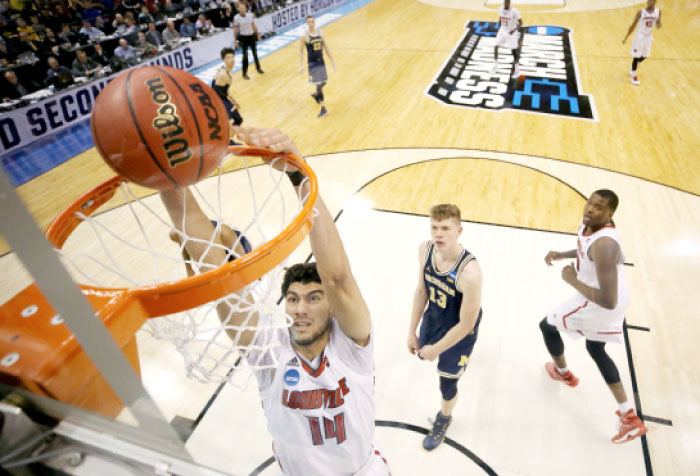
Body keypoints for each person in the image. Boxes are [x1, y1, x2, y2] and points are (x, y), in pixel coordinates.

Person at [159, 127, 390, 475]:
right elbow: (212, 264)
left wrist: (298, 173)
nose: (301, 307)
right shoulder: (269, 351)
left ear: (331, 309)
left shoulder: (352, 348)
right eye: (293, 298)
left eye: (314, 298)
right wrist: (165, 172)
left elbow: (338, 278)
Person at [540, 189, 647, 444]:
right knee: (596, 349)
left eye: (599, 207)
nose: (590, 209)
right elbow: (583, 249)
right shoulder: (591, 225)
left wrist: (572, 280)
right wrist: (562, 254)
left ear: (610, 215)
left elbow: (607, 301)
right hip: (608, 296)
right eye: (590, 203)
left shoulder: (606, 245)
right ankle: (629, 417)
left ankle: (563, 373)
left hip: (599, 302)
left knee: (547, 326)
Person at [407, 204, 483, 451]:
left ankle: (444, 417)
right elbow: (421, 291)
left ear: (459, 230)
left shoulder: (470, 273)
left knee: (447, 381)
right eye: (434, 227)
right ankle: (435, 350)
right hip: (436, 315)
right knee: (424, 355)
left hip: (460, 329)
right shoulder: (425, 250)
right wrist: (411, 330)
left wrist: (437, 348)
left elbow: (467, 324)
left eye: (445, 228)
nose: (438, 234)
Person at [299, 15, 335, 118]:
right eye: (309, 22)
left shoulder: (321, 32)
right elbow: (300, 51)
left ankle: (316, 95)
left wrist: (332, 60)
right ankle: (323, 108)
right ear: (307, 24)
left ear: (315, 22)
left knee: (323, 82)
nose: (311, 23)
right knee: (319, 84)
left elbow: (326, 47)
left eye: (312, 21)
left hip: (321, 62)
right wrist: (301, 66)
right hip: (312, 63)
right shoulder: (304, 36)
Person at [622, 0, 661, 86]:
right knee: (636, 56)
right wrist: (626, 37)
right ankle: (634, 76)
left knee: (645, 56)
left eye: (652, 1)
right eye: (649, 0)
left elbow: (658, 23)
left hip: (648, 37)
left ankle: (633, 68)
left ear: (655, 1)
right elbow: (633, 24)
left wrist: (658, 25)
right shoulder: (641, 12)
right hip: (640, 36)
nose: (650, 2)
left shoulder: (658, 12)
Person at [212, 47, 243, 139]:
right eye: (228, 58)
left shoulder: (226, 71)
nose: (231, 60)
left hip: (224, 99)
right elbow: (215, 92)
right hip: (220, 101)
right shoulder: (223, 74)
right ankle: (227, 142)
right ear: (223, 60)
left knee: (238, 119)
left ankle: (228, 139)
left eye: (232, 57)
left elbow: (224, 90)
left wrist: (234, 101)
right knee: (229, 128)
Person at [490, 0, 522, 79]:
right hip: (502, 30)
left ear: (509, 2)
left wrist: (514, 30)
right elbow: (500, 18)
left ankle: (517, 70)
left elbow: (521, 22)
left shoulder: (514, 11)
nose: (506, 3)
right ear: (504, 2)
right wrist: (499, 27)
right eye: (505, 2)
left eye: (507, 2)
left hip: (511, 31)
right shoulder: (500, 9)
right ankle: (495, 65)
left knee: (514, 51)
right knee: (495, 46)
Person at [232, 2, 263, 80]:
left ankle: (258, 68)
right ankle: (244, 73)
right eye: (240, 8)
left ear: (245, 8)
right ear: (238, 9)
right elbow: (235, 30)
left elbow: (253, 25)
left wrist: (258, 35)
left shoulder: (250, 15)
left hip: (251, 36)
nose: (242, 9)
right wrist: (236, 41)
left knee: (255, 54)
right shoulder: (236, 18)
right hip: (243, 38)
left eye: (243, 8)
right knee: (245, 56)